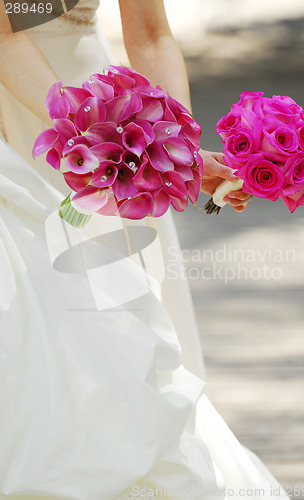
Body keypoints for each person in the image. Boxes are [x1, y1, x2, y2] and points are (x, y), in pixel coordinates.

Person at [0, 1, 286, 499]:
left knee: (134, 331)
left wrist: (177, 152)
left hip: (112, 113)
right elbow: (4, 37)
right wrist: (84, 133)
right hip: (33, 106)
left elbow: (151, 34)